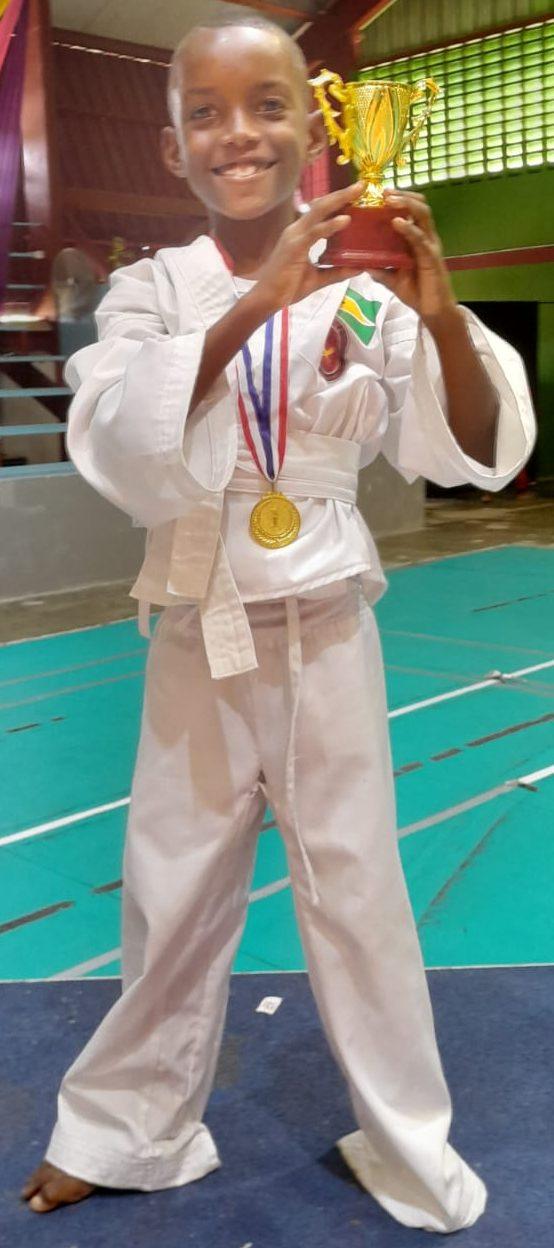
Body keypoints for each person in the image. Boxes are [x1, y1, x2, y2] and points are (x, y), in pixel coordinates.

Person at [22, 14, 535, 1231]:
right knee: (171, 887)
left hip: (326, 630)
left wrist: (442, 308)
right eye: (205, 111)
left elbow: (465, 449)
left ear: (312, 129)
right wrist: (258, 301)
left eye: (265, 106)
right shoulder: (150, 291)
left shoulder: (368, 299)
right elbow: (121, 445)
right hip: (199, 625)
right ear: (171, 148)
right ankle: (125, 1131)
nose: (236, 132)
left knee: (358, 893)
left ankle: (409, 1146)